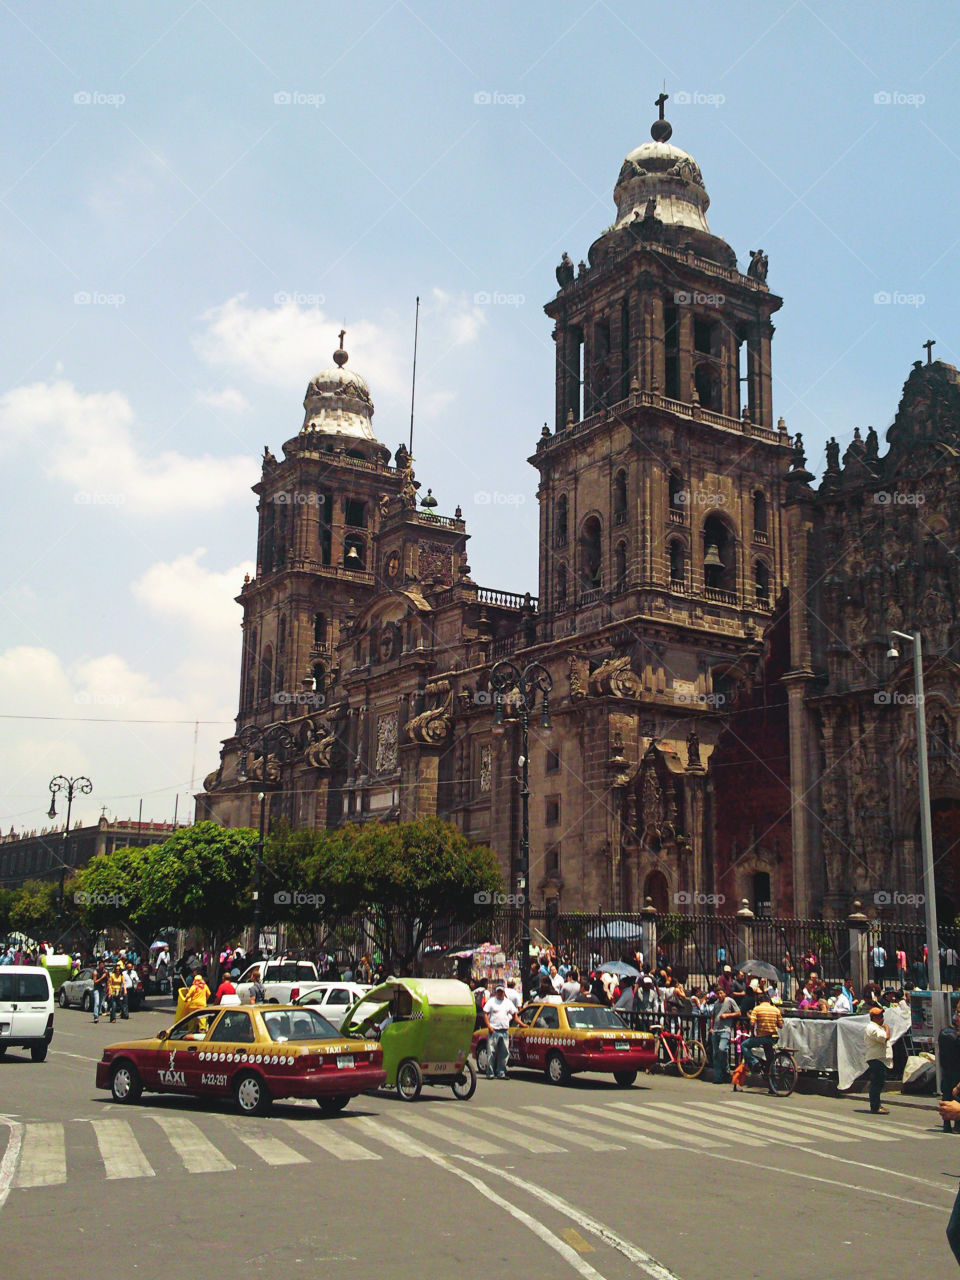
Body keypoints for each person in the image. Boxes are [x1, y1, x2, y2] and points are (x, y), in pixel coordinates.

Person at [739, 993, 784, 1092]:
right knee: (771, 1060)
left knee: (744, 1045)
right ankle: (773, 1086)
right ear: (769, 1001)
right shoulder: (776, 1009)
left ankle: (754, 1062)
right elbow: (780, 1025)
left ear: (760, 1001)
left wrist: (752, 1033)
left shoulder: (757, 1009)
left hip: (761, 1037)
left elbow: (752, 1023)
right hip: (773, 1038)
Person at [483, 983, 518, 1080]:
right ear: (496, 992)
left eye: (501, 991)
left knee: (504, 1052)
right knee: (491, 1052)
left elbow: (515, 1014)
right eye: (498, 991)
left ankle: (501, 1072)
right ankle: (490, 1073)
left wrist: (522, 1024)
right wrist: (489, 1026)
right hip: (494, 1030)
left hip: (504, 1030)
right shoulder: (491, 1002)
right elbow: (485, 1013)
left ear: (504, 992)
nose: (499, 993)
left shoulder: (508, 1002)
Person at [864, 1005, 892, 1114]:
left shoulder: (877, 1027)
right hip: (876, 1058)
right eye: (880, 1016)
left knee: (879, 1082)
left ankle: (877, 1104)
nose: (882, 1018)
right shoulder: (872, 1027)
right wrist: (887, 1028)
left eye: (882, 1015)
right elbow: (885, 1037)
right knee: (876, 1082)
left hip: (880, 1058)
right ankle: (875, 1106)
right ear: (874, 1017)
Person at [711, 985, 741, 1084]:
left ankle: (726, 1070)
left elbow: (738, 1013)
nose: (719, 995)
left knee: (722, 1049)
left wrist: (727, 1015)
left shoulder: (729, 1001)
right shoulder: (716, 1004)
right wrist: (711, 1028)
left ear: (724, 993)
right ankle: (718, 1076)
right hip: (716, 1030)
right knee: (716, 1054)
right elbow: (713, 1016)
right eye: (717, 994)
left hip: (725, 1030)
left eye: (721, 993)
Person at [939, 1008, 960, 1132]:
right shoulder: (955, 1038)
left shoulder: (944, 1033)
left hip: (946, 1071)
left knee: (946, 1097)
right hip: (956, 1071)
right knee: (955, 1097)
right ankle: (957, 1125)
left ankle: (946, 1124)